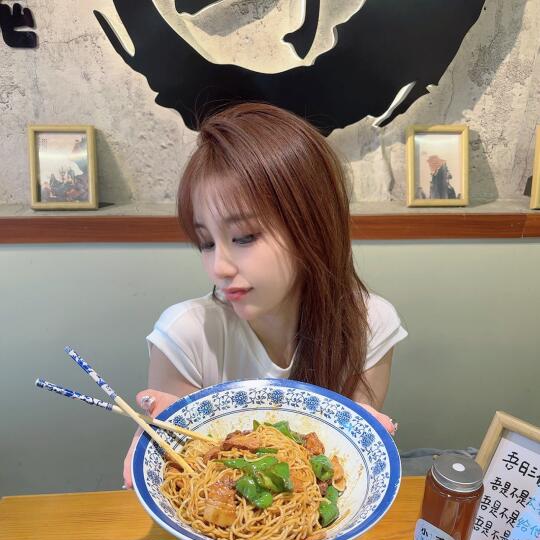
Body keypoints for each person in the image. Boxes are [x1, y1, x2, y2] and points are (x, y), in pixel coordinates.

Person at [123, 102, 407, 486]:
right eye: (206, 242)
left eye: (243, 237)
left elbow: (342, 472)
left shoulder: (371, 324)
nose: (219, 267)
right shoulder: (186, 335)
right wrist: (163, 463)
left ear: (312, 226)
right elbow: (189, 480)